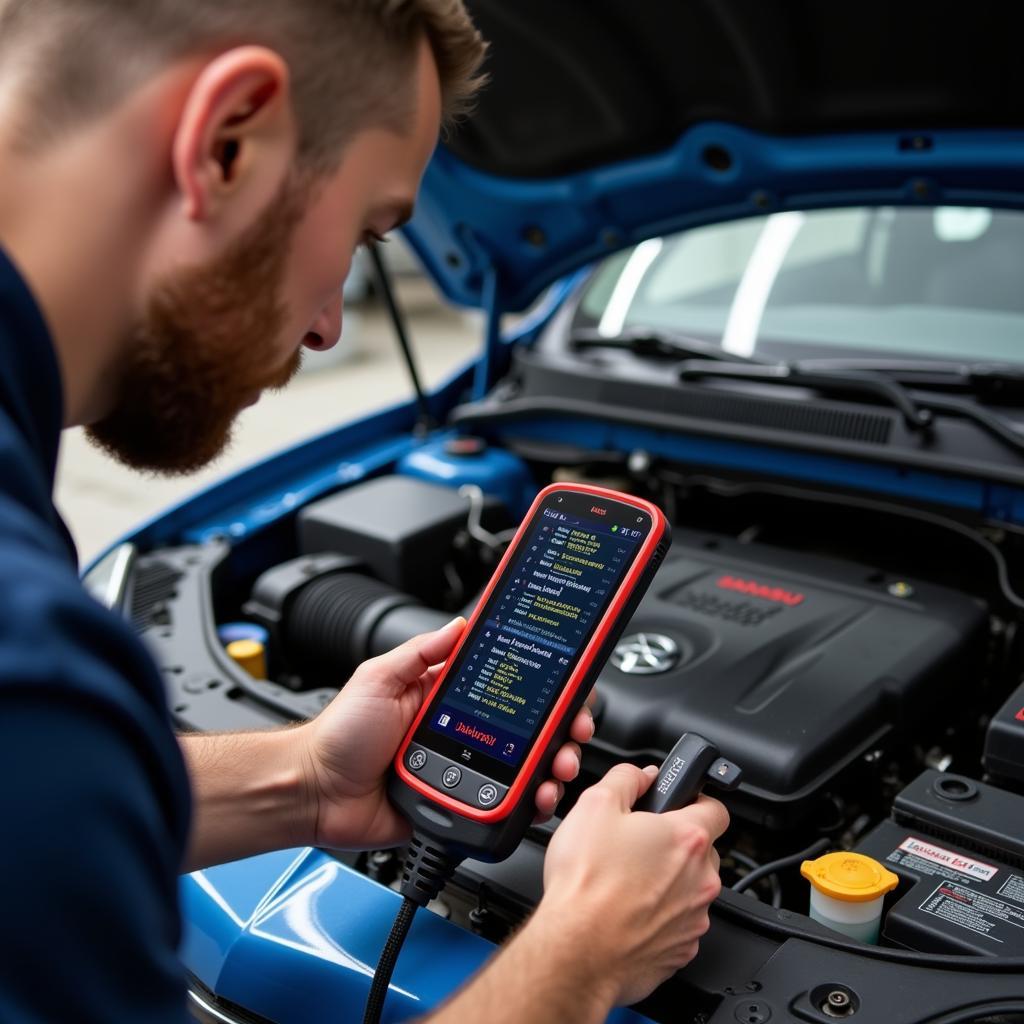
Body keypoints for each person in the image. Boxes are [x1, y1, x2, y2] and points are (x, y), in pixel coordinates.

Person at [0, 1, 729, 1021]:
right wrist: (581, 957)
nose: (332, 322)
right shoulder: (32, 659)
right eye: (367, 230)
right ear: (226, 141)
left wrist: (305, 780)